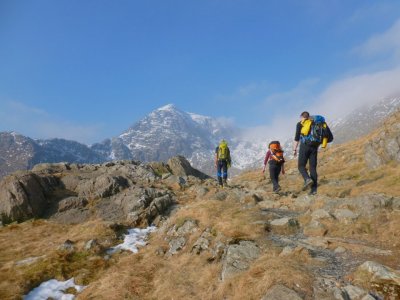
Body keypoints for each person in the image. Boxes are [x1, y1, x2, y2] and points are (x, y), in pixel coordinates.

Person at [293, 111, 332, 195]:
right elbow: (330, 137)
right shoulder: (319, 123)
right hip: (315, 146)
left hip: (305, 145)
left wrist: (294, 149)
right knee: (313, 168)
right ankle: (314, 190)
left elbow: (297, 138)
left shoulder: (300, 124)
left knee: (301, 166)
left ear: (302, 117)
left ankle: (307, 179)